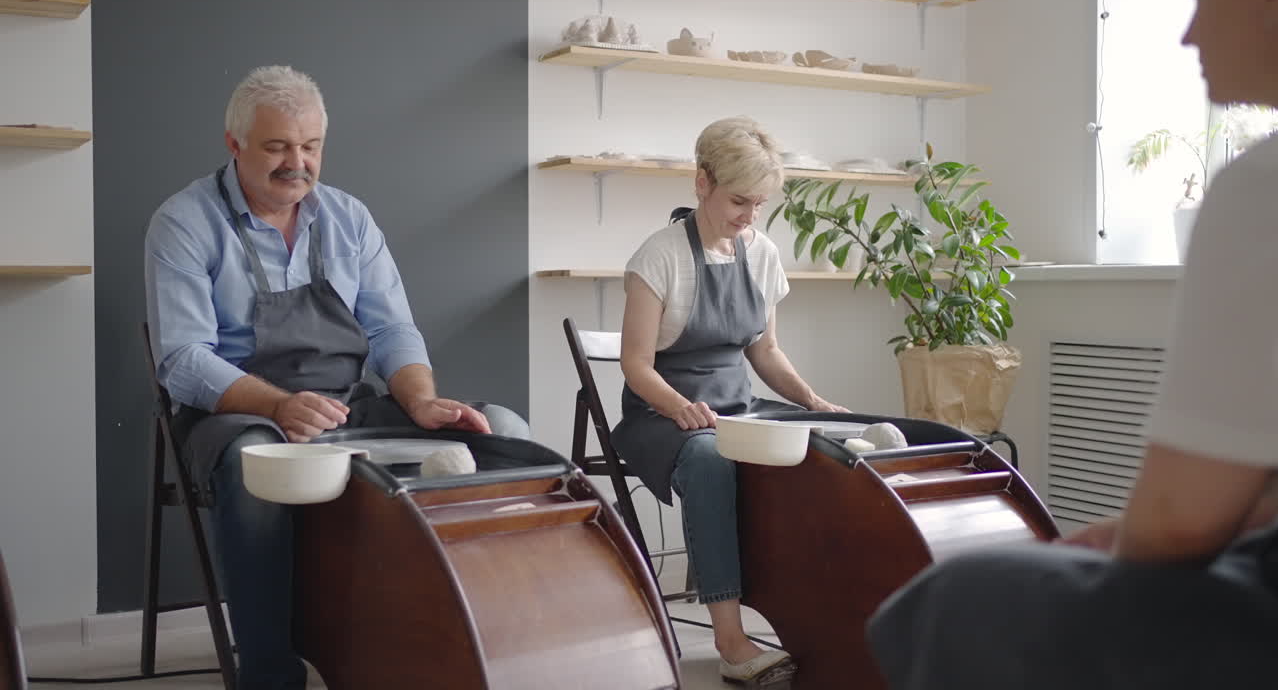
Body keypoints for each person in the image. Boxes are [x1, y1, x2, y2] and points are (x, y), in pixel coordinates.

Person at [866, 0, 1278, 688]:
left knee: (961, 596)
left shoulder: (1261, 188)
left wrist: (1095, 545)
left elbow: (1177, 522)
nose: (1188, 33)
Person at [144, 65, 529, 689]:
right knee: (255, 461)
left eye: (311, 146)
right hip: (238, 415)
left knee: (501, 429)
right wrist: (277, 406)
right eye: (277, 146)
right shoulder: (185, 222)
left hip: (348, 407)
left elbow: (391, 332)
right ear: (234, 143)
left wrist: (423, 400)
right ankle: (270, 673)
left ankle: (474, 646)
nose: (297, 162)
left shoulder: (349, 218)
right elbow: (184, 360)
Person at [612, 116, 847, 686]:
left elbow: (765, 352)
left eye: (760, 204)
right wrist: (678, 408)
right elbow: (635, 364)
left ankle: (819, 617)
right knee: (711, 459)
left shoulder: (761, 253)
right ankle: (730, 639)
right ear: (702, 183)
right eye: (740, 200)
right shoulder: (660, 256)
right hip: (660, 415)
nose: (749, 216)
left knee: (827, 448)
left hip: (738, 409)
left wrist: (814, 402)